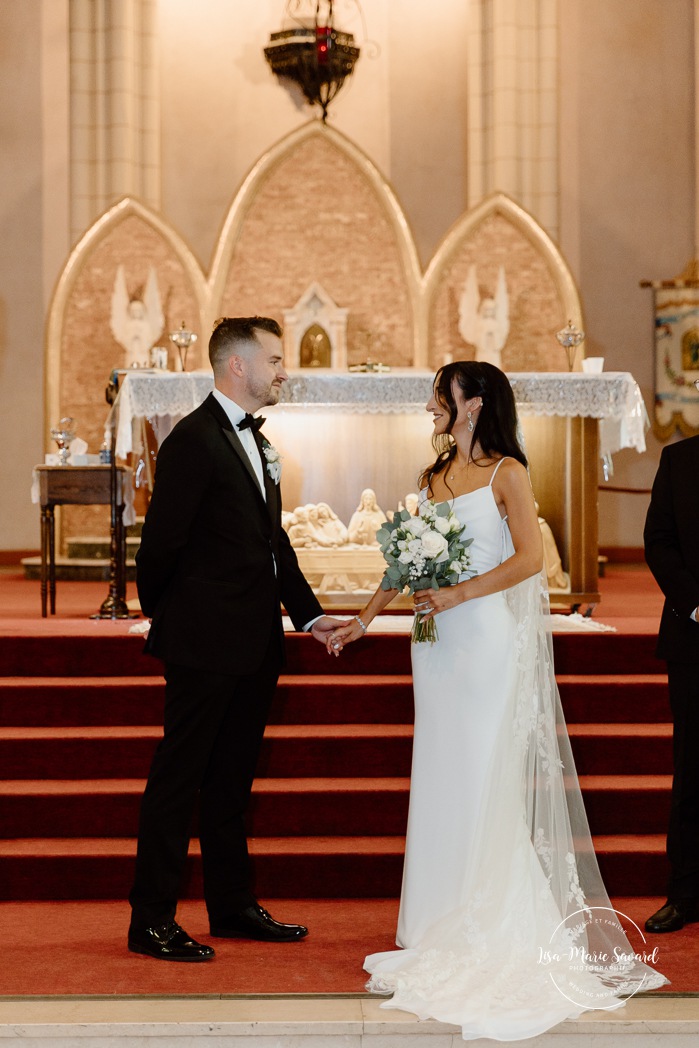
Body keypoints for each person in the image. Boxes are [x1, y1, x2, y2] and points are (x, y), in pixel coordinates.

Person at [328, 361, 665, 1039]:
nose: (430, 405)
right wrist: (363, 618)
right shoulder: (433, 478)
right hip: (433, 644)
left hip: (481, 638)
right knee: (442, 773)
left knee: (482, 774)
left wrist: (457, 593)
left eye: (440, 396)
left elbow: (529, 560)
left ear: (472, 404)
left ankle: (489, 914)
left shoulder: (507, 472)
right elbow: (402, 563)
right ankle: (434, 918)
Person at [128, 316, 344, 962]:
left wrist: (307, 616)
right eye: (275, 360)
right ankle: (151, 920)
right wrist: (177, 620)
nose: (285, 370)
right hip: (203, 643)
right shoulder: (193, 441)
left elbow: (270, 542)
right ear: (237, 368)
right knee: (179, 780)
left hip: (254, 643)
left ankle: (231, 905)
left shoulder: (256, 440)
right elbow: (158, 548)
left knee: (230, 784)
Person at [643, 433, 699, 933]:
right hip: (694, 636)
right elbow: (658, 540)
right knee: (692, 767)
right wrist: (697, 602)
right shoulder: (678, 459)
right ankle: (684, 894)